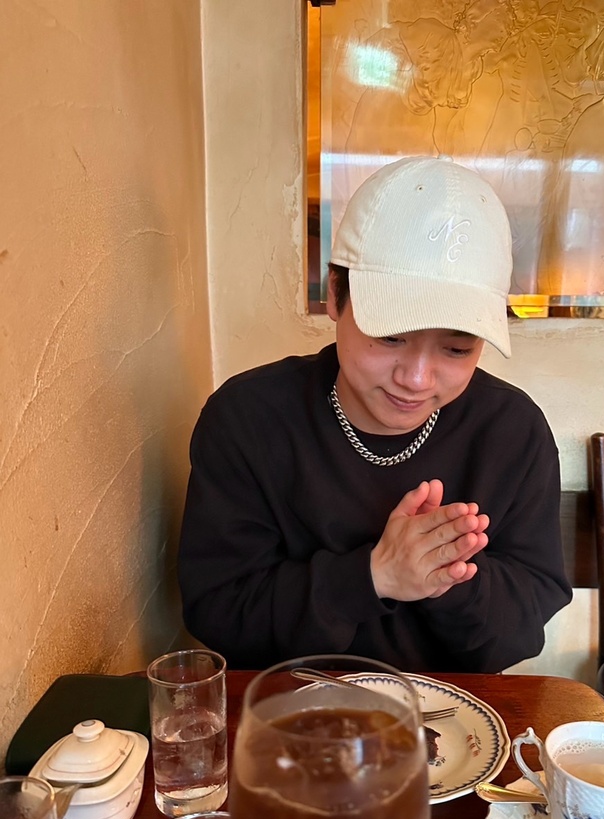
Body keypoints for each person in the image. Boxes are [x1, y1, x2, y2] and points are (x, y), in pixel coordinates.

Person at [177, 155, 572, 673]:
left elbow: (520, 632)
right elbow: (218, 613)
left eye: (456, 349)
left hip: (456, 715)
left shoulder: (512, 432)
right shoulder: (248, 419)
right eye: (391, 337)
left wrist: (445, 574)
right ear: (334, 295)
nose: (417, 378)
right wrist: (374, 576)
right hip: (289, 706)